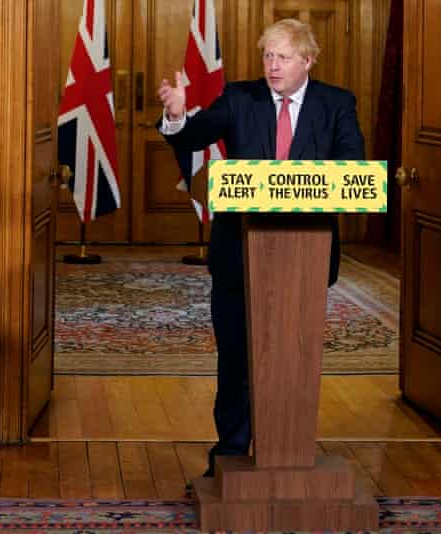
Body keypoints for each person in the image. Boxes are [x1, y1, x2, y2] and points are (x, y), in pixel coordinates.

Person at [157, 18, 364, 478]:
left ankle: (289, 453)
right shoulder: (239, 97)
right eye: (267, 56)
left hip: (304, 260)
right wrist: (177, 114)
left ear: (307, 61)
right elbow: (194, 134)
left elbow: (353, 170)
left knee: (293, 357)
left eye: (283, 57)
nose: (272, 66)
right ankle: (231, 454)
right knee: (236, 358)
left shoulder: (336, 104)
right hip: (238, 256)